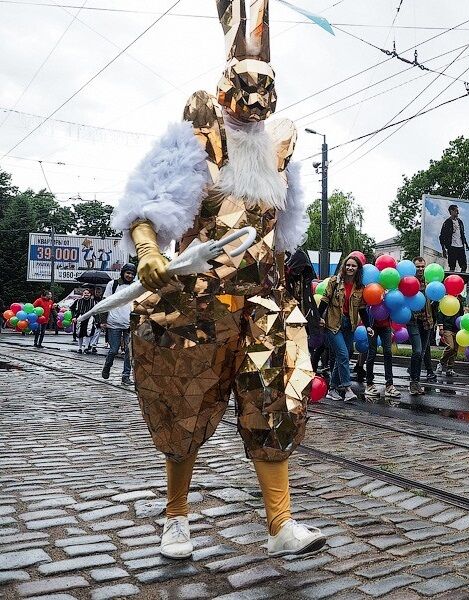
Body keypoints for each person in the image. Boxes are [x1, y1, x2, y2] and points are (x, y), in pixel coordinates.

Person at [108, 1, 325, 560]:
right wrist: (149, 250)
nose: (254, 102)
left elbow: (281, 236)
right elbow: (148, 201)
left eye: (264, 89)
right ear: (225, 87)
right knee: (184, 405)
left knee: (274, 401)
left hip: (264, 303)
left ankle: (280, 523)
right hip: (196, 304)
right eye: (244, 88)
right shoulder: (200, 137)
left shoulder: (280, 149)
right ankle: (176, 517)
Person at [321, 255, 371, 402]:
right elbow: (324, 300)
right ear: (344, 266)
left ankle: (332, 389)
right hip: (333, 323)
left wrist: (368, 326)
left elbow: (362, 309)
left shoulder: (360, 287)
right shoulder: (334, 282)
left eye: (353, 266)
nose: (350, 268)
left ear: (358, 269)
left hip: (350, 325)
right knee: (343, 354)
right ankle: (347, 389)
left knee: (344, 356)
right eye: (348, 265)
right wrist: (318, 317)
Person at [100, 264, 136, 385]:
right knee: (114, 350)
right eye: (128, 273)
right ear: (123, 272)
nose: (130, 276)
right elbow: (105, 303)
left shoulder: (135, 286)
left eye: (132, 274)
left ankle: (126, 376)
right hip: (114, 322)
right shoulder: (113, 284)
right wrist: (103, 320)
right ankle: (107, 365)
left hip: (129, 324)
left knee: (129, 351)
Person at [406, 257, 435, 396]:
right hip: (413, 321)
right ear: (413, 267)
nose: (420, 269)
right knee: (417, 351)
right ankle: (413, 382)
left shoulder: (430, 283)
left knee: (422, 353)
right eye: (418, 266)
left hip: (427, 322)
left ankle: (416, 381)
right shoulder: (408, 282)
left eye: (423, 266)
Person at [364, 308, 401, 401]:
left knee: (388, 352)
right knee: (372, 352)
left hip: (385, 325)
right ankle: (369, 383)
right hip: (372, 324)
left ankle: (389, 385)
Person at [436, 295, 463, 376]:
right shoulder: (445, 300)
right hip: (447, 328)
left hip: (456, 328)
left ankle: (450, 368)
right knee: (450, 347)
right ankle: (441, 363)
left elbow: (461, 314)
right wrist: (441, 328)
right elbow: (440, 314)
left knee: (455, 349)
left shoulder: (459, 301)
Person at [439, 204, 469, 272]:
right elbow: (442, 236)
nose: (458, 212)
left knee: (464, 266)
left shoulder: (460, 222)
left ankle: (462, 278)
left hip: (461, 247)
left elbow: (462, 233)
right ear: (451, 211)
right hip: (452, 247)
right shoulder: (447, 222)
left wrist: (466, 243)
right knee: (452, 266)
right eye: (456, 211)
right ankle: (452, 278)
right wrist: (443, 249)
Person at [71, 288, 99, 354]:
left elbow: (96, 311)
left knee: (88, 333)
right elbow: (72, 309)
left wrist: (97, 321)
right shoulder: (78, 301)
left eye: (88, 293)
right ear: (83, 294)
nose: (86, 294)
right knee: (79, 333)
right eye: (85, 293)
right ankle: (80, 348)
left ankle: (86, 347)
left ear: (90, 294)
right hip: (80, 317)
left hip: (90, 318)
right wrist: (74, 317)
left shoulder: (94, 302)